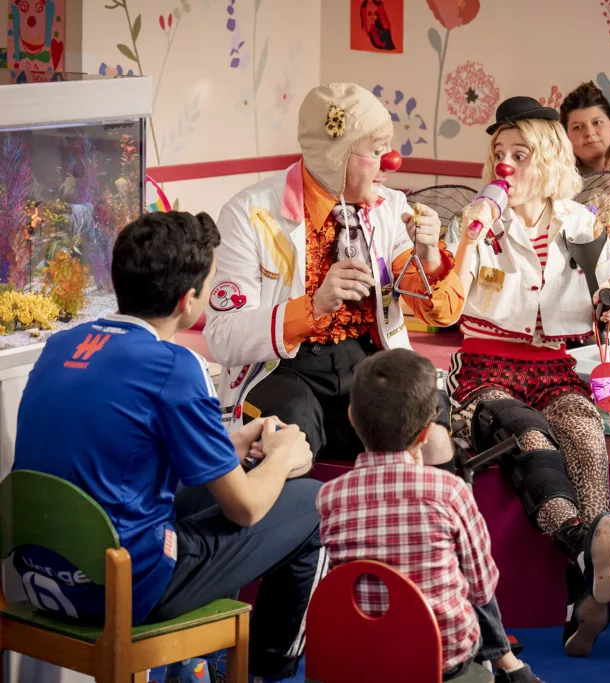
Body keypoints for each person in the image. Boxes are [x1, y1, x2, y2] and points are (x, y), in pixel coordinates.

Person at [12, 211, 322, 681]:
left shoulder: (62, 344)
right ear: (188, 300)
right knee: (311, 503)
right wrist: (280, 458)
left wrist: (229, 445)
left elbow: (122, 456)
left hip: (42, 577)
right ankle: (269, 671)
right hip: (122, 588)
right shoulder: (173, 365)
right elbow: (245, 509)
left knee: (207, 498)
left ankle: (204, 667)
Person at [447, 95, 610, 657]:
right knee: (530, 433)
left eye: (519, 154)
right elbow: (446, 300)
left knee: (582, 432)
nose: (506, 165)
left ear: (546, 157)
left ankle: (583, 598)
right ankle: (580, 543)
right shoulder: (477, 219)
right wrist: (469, 238)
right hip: (486, 364)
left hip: (556, 363)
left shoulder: (580, 221)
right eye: (499, 153)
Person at [204, 82, 463, 461]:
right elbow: (223, 337)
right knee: (286, 437)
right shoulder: (249, 214)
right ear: (336, 157)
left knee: (433, 429)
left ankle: (434, 518)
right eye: (376, 151)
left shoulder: (391, 207)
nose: (391, 162)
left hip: (369, 361)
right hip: (283, 368)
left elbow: (438, 312)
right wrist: (314, 306)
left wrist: (429, 257)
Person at [317, 349, 541, 682]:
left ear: (352, 417)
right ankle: (509, 667)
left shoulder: (330, 496)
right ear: (425, 433)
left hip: (360, 660)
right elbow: (481, 588)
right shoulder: (449, 492)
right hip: (442, 663)